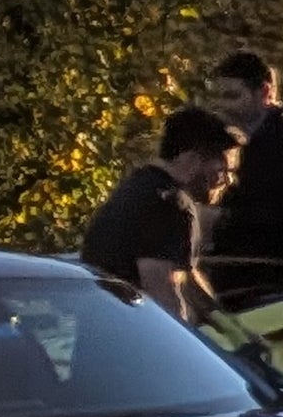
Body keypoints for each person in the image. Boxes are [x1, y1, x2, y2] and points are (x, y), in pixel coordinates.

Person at [81, 107, 236, 324]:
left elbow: (187, 279)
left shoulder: (137, 189)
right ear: (193, 159)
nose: (227, 182)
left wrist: (232, 328)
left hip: (99, 338)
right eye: (223, 171)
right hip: (133, 346)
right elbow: (162, 293)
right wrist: (184, 348)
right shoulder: (169, 204)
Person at [202, 48, 283, 309]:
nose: (224, 106)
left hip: (271, 287)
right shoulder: (252, 141)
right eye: (221, 96)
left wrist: (218, 220)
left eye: (234, 96)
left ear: (265, 92)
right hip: (249, 281)